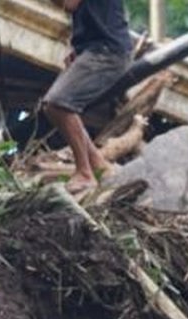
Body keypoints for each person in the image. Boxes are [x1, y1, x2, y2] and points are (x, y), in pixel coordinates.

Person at [43, 0, 132, 193]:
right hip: (98, 49)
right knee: (55, 106)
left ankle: (84, 173)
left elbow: (70, 3)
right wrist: (78, 49)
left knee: (59, 103)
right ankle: (98, 165)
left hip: (107, 51)